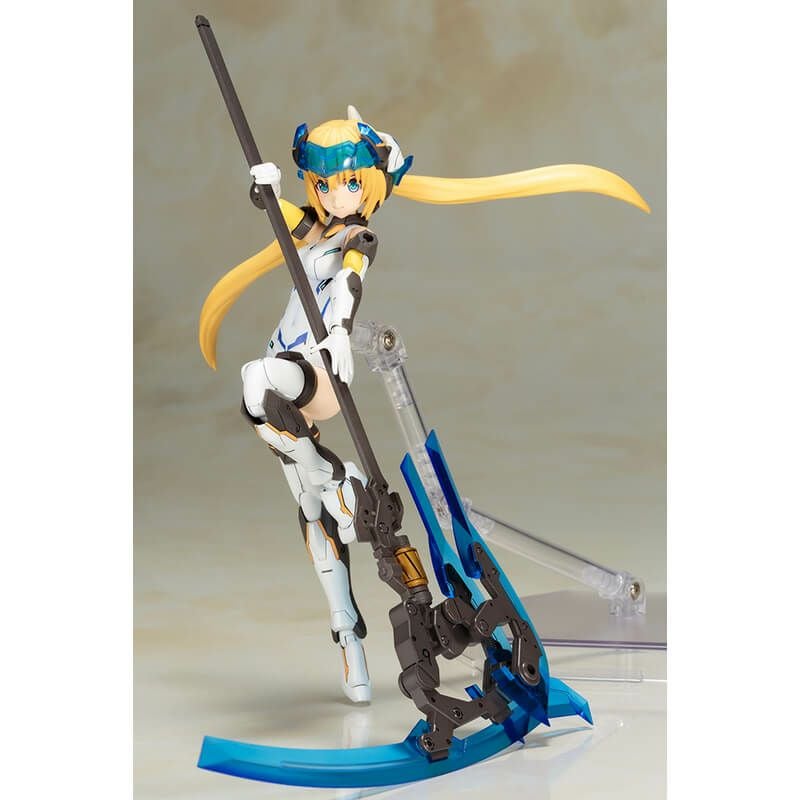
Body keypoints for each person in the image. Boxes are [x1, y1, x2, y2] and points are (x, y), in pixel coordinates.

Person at [198, 105, 649, 704]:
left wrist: (339, 332)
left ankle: (338, 479)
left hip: (312, 370)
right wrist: (267, 188)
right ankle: (352, 650)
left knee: (255, 381)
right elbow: (282, 216)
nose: (334, 194)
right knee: (312, 516)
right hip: (287, 384)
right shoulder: (313, 228)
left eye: (348, 181)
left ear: (370, 183)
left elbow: (350, 282)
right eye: (323, 183)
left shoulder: (357, 238)